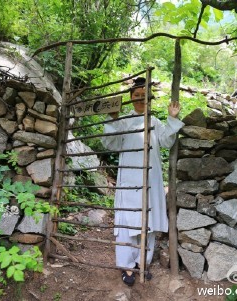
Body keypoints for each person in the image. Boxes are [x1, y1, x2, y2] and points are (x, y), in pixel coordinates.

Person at [101, 77, 184, 286]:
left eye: (143, 95)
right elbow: (109, 144)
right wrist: (112, 118)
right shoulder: (124, 121)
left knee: (148, 222)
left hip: (151, 178)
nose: (140, 98)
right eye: (136, 95)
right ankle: (127, 266)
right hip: (128, 179)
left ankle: (142, 262)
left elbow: (166, 141)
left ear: (149, 99)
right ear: (130, 98)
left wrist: (171, 118)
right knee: (128, 222)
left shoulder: (155, 122)